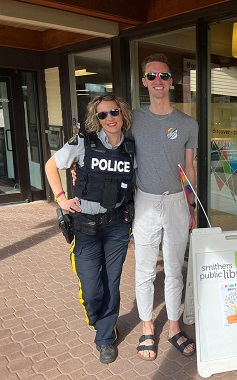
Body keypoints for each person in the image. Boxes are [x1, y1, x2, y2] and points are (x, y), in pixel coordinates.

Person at [45, 94, 135, 364]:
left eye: (114, 112)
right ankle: (97, 316)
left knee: (112, 282)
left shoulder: (132, 147)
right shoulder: (83, 143)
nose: (110, 118)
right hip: (85, 227)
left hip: (118, 227)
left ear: (123, 114)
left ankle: (105, 338)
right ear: (96, 119)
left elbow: (137, 183)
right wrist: (61, 198)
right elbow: (52, 164)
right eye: (103, 114)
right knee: (92, 289)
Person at [132, 53, 198, 360]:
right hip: (145, 200)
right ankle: (147, 327)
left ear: (172, 80)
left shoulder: (187, 123)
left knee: (174, 269)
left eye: (164, 75)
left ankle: (173, 327)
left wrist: (192, 208)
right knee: (145, 269)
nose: (158, 81)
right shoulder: (132, 119)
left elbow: (190, 168)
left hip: (176, 202)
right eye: (152, 76)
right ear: (144, 81)